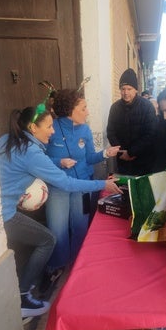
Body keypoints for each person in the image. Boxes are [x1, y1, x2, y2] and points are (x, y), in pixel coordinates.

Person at [0, 105, 121, 318]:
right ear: (33, 128)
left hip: (5, 207)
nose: (52, 131)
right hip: (3, 214)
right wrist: (102, 185)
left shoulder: (7, 139)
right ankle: (23, 296)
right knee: (48, 240)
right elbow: (66, 183)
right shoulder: (31, 152)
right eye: (48, 126)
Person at [44, 89, 120, 285]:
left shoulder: (85, 130)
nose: (88, 112)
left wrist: (105, 154)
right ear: (70, 110)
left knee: (80, 227)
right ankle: (58, 266)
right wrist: (58, 162)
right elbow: (40, 159)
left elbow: (89, 158)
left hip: (83, 186)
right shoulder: (51, 128)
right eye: (84, 108)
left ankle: (79, 265)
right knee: (57, 230)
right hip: (58, 187)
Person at [107, 68, 158, 176]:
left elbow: (150, 134)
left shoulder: (147, 107)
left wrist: (132, 152)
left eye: (129, 89)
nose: (125, 92)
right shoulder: (115, 108)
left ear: (136, 89)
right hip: (122, 160)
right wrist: (122, 152)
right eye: (123, 89)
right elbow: (111, 132)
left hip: (143, 160)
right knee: (124, 189)